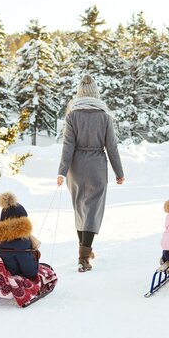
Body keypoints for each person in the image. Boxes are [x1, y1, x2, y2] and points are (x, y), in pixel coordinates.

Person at [57, 74, 125, 272]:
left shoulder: (72, 116)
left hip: (76, 167)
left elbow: (67, 146)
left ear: (79, 93)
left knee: (80, 208)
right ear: (96, 93)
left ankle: (83, 251)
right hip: (96, 166)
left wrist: (62, 172)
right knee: (93, 210)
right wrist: (118, 172)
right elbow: (111, 146)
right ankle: (84, 255)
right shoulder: (104, 116)